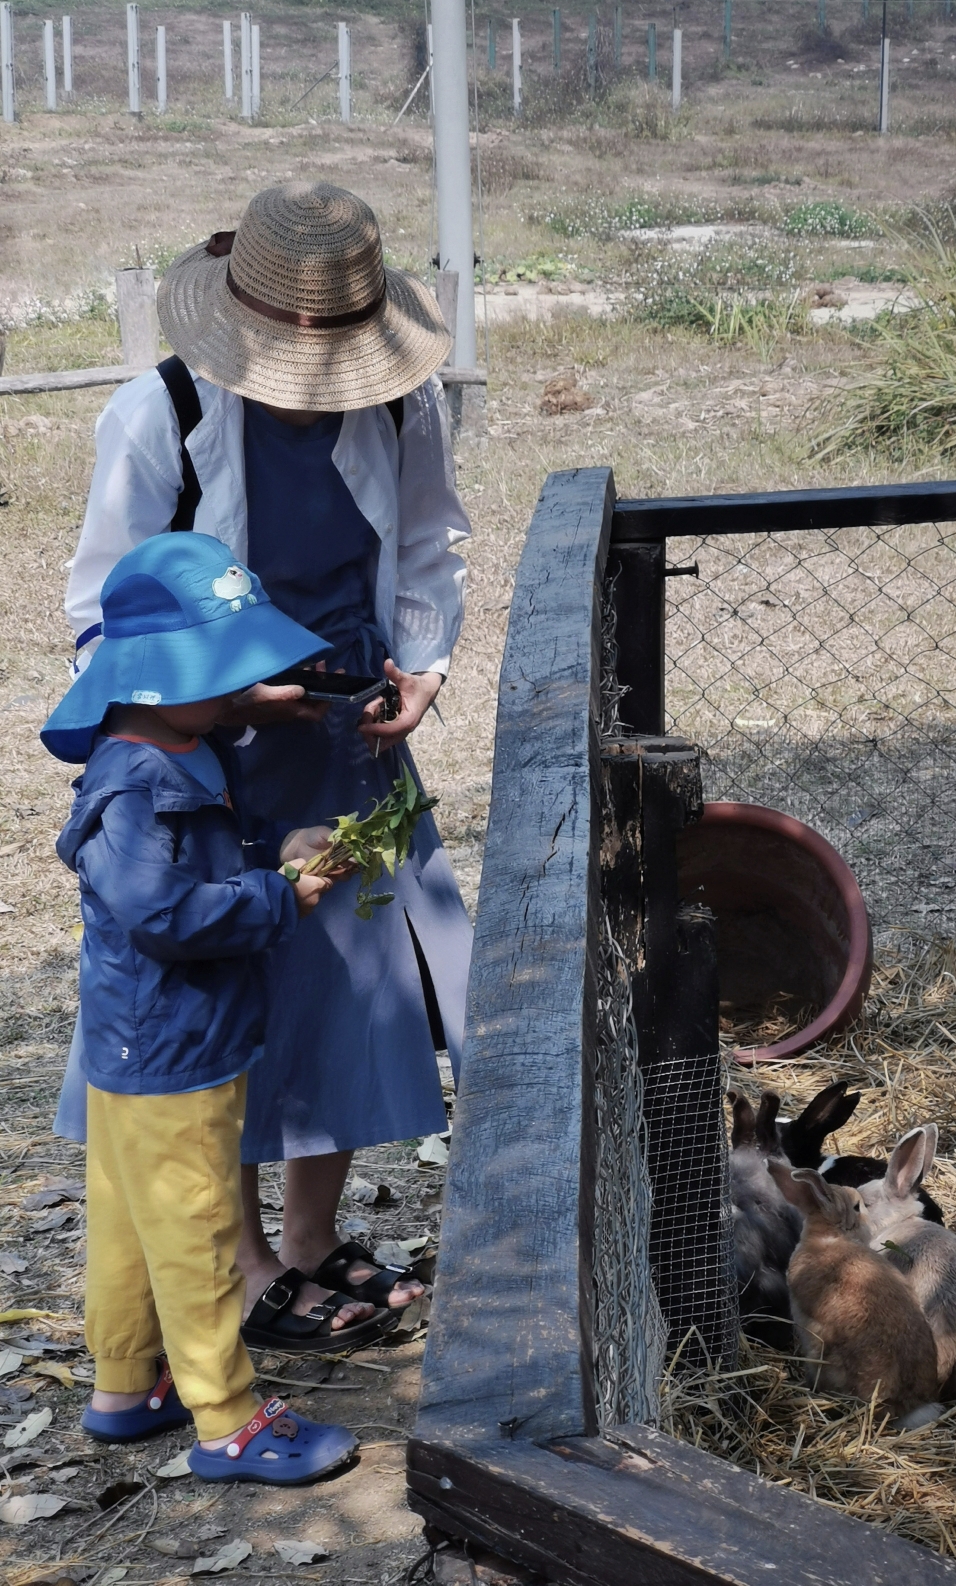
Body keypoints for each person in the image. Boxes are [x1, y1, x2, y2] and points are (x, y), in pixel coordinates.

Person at [54, 181, 473, 1352]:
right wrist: (224, 700)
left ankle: (310, 1237)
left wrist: (422, 670)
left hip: (349, 734)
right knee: (222, 986)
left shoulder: (402, 403)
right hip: (208, 752)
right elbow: (103, 606)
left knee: (352, 981)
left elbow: (432, 543)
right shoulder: (163, 411)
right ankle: (238, 1267)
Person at [43, 531, 371, 1481]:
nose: (239, 687)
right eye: (220, 670)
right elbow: (161, 910)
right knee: (194, 1232)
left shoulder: (177, 746)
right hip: (171, 1052)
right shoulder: (137, 787)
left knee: (127, 1221)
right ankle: (226, 1419)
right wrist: (282, 896)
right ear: (152, 677)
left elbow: (207, 856)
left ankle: (123, 1387)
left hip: (147, 1046)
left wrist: (276, 847)